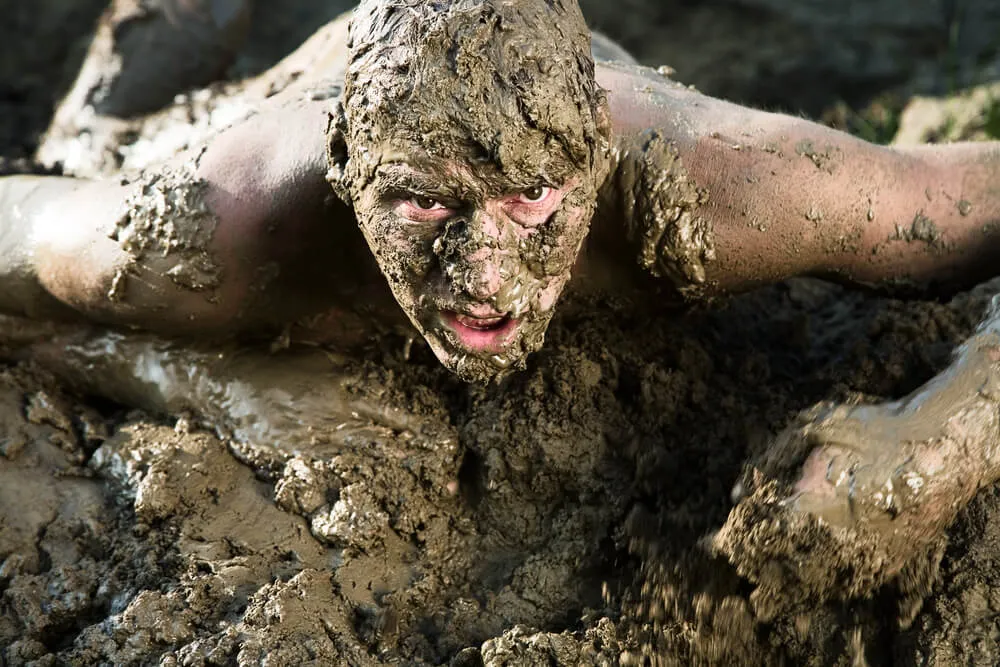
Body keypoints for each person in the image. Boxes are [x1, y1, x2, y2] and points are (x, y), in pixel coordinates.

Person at [2, 0, 1000, 581]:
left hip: (517, 77)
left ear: (597, 157)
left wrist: (942, 442)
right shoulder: (217, 231)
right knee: (90, 141)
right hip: (268, 112)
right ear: (347, 171)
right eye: (424, 208)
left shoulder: (722, 193)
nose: (484, 279)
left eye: (532, 200)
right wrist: (196, 377)